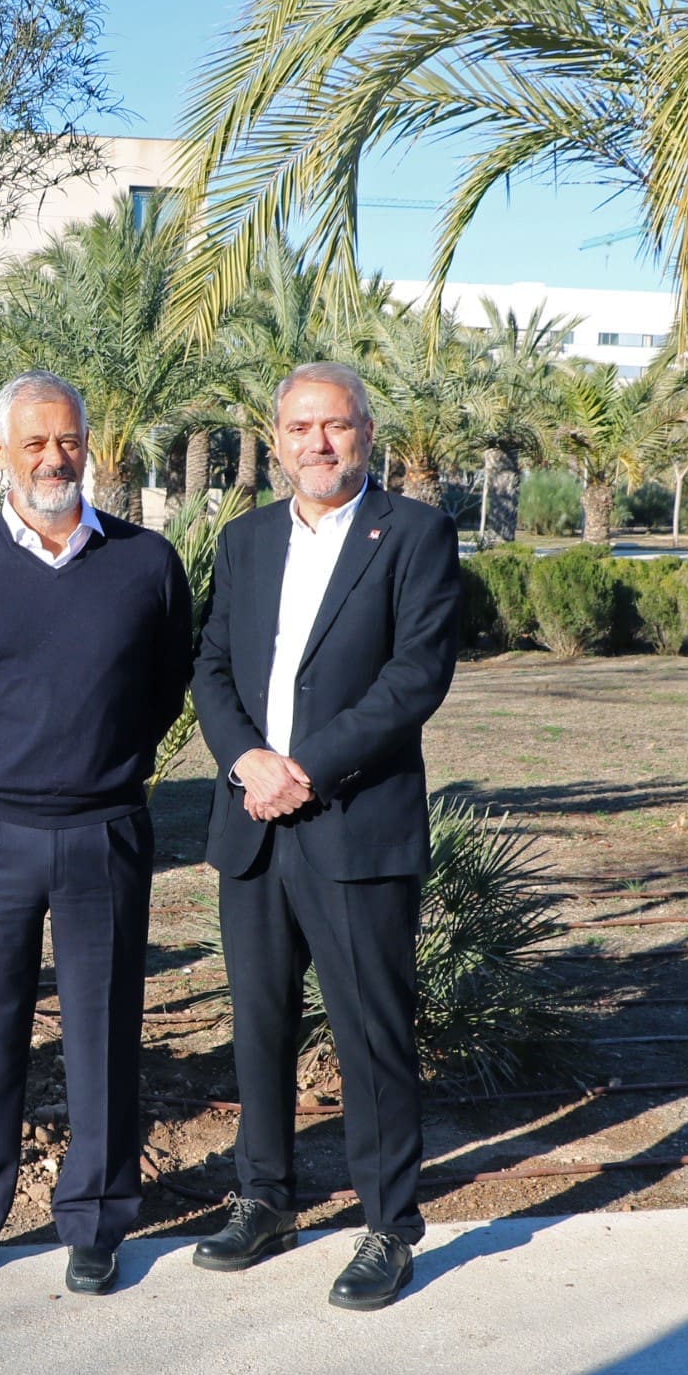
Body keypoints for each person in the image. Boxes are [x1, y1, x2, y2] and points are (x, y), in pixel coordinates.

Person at [0, 370, 194, 1295]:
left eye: (67, 440)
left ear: (89, 447)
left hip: (105, 829)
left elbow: (164, 688)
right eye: (32, 442)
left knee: (105, 1027)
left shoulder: (147, 565)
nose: (52, 458)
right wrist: (0, 772)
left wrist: (100, 765)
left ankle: (98, 1221)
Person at [188, 361, 461, 1310]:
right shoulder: (247, 539)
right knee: (259, 1024)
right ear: (275, 441)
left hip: (353, 824)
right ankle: (265, 1197)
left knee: (370, 1033)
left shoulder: (415, 535)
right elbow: (213, 664)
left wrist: (302, 765)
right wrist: (247, 762)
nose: (318, 443)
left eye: (336, 426)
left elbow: (416, 677)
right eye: (300, 428)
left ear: (366, 435)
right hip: (252, 823)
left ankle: (390, 1226)